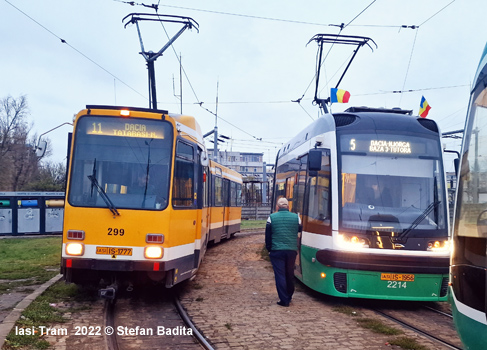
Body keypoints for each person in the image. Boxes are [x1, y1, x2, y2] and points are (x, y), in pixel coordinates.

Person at [265, 197, 302, 307]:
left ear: (277, 207)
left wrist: (269, 249)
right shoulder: (296, 218)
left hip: (276, 251)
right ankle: (289, 296)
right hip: (291, 251)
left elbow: (268, 236)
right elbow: (299, 230)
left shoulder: (271, 218)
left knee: (280, 275)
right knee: (290, 274)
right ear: (288, 207)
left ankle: (284, 299)